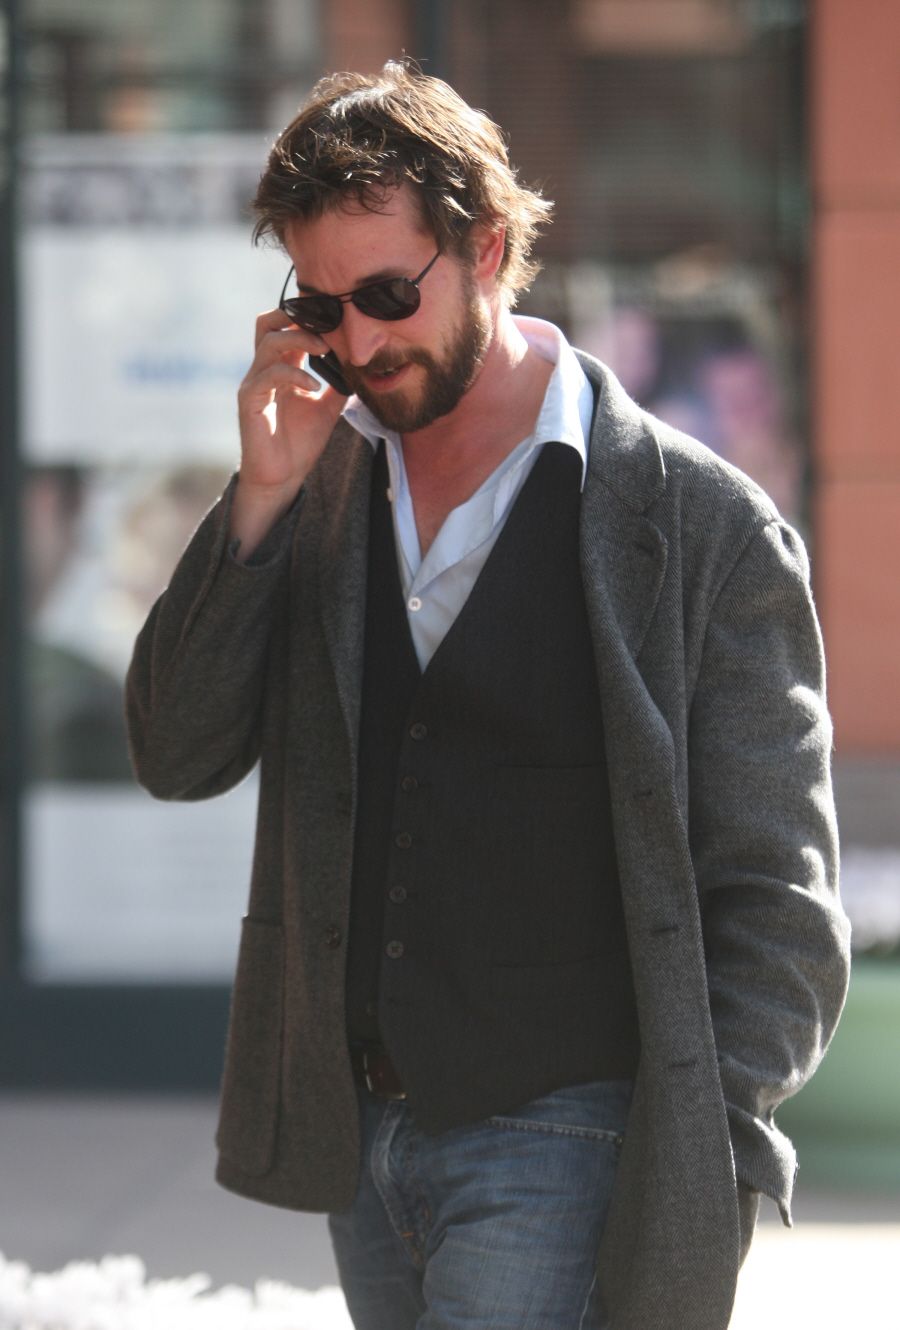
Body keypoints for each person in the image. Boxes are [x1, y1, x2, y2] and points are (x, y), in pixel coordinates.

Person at [125, 60, 851, 1330]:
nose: (358, 344)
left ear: (489, 252)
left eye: (388, 295)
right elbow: (176, 750)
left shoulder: (703, 528)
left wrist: (705, 1137)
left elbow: (779, 893)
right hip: (365, 1143)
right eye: (321, 306)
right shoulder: (317, 487)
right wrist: (260, 500)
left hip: (569, 1133)